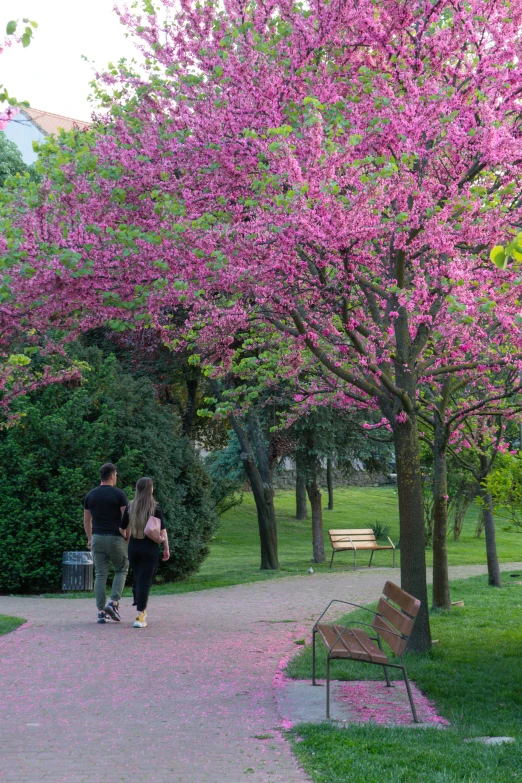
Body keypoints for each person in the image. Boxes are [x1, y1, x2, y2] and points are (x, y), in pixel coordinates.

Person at [120, 477, 169, 628]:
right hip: (150, 548)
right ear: (150, 489)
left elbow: (122, 528)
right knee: (145, 581)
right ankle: (140, 614)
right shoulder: (155, 507)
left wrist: (129, 537)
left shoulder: (130, 506)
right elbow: (162, 531)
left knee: (139, 577)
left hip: (134, 546)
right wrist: (166, 548)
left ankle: (138, 599)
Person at [83, 463, 128, 624]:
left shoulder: (90, 495)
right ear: (111, 476)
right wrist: (126, 534)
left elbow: (87, 521)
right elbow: (126, 518)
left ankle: (101, 612)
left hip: (97, 538)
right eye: (116, 475)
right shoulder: (119, 494)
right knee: (121, 569)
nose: (116, 478)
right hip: (115, 537)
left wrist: (90, 538)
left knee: (100, 574)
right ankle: (114, 603)